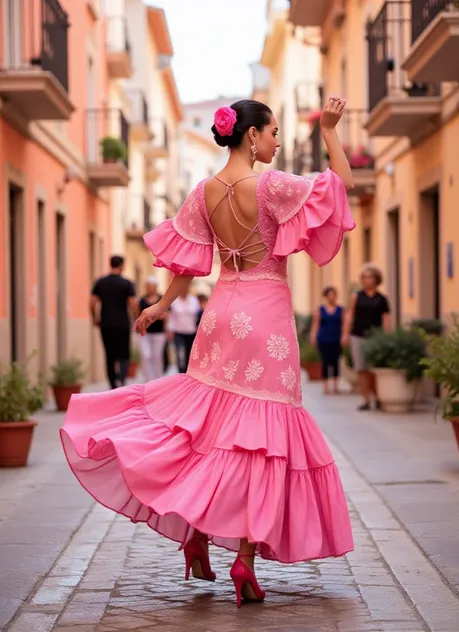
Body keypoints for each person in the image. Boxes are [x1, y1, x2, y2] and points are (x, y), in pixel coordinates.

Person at [61, 97, 355, 608]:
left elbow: (186, 263)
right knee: (261, 441)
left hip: (220, 315)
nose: (278, 141)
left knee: (208, 429)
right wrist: (329, 131)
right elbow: (340, 187)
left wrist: (159, 305)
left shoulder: (204, 192)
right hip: (266, 318)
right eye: (274, 132)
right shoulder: (273, 185)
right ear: (251, 137)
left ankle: (195, 535)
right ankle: (243, 558)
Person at [342, 263, 391, 410]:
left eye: (369, 276)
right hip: (357, 335)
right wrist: (345, 334)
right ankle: (365, 399)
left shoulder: (382, 299)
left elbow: (386, 319)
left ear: (376, 279)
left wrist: (386, 337)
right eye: (364, 277)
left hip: (375, 337)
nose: (366, 280)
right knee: (361, 369)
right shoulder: (356, 297)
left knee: (373, 369)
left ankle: (377, 397)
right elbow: (349, 315)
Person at [90, 255, 138, 389]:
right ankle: (121, 380)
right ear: (122, 266)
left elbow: (92, 303)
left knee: (109, 354)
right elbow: (133, 304)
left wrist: (95, 318)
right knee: (124, 354)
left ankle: (112, 384)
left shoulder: (100, 282)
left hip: (106, 323)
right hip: (122, 323)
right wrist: (137, 319)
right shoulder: (127, 284)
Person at [310, 286, 343, 395]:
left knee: (335, 362)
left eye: (333, 295)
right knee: (325, 362)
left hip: (336, 339)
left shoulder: (340, 310)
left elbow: (344, 324)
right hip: (323, 339)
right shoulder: (320, 310)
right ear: (326, 297)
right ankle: (326, 386)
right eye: (329, 295)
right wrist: (313, 336)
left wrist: (344, 336)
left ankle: (336, 385)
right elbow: (316, 324)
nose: (331, 297)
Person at [137, 277, 167, 382]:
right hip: (145, 333)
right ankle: (148, 380)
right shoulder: (141, 300)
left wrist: (154, 316)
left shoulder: (161, 299)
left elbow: (166, 315)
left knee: (157, 357)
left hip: (159, 333)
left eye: (152, 287)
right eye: (148, 287)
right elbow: (138, 315)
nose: (150, 289)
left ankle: (158, 380)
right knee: (146, 356)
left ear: (156, 287)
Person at [168, 290, 200, 373]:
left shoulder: (194, 300)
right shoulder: (175, 301)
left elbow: (198, 315)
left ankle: (188, 373)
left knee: (189, 355)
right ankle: (181, 372)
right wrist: (170, 330)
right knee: (180, 354)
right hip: (179, 332)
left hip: (191, 332)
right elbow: (172, 317)